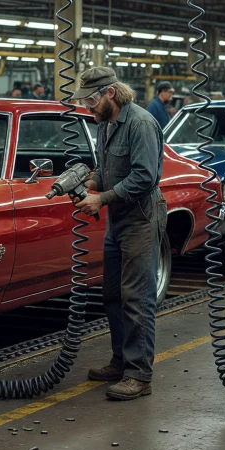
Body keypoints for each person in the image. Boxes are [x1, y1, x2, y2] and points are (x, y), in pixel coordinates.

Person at [73, 67, 166, 401]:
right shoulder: (106, 124)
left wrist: (102, 198)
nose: (87, 107)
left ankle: (139, 375)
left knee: (137, 299)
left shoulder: (140, 124)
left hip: (140, 219)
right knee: (112, 295)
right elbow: (106, 167)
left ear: (110, 93)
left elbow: (144, 177)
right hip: (118, 220)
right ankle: (121, 361)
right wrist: (94, 181)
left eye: (91, 100)